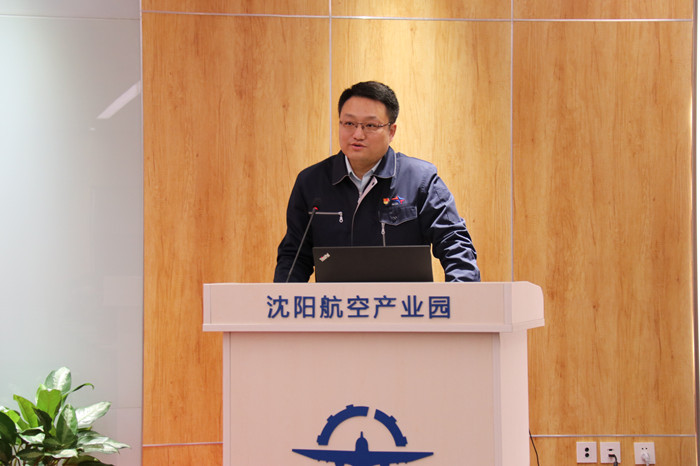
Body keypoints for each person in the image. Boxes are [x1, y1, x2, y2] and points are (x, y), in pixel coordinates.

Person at [274, 81, 480, 282]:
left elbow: (454, 243)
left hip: (405, 302)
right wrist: (284, 301)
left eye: (370, 125)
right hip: (338, 303)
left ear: (391, 131)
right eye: (349, 123)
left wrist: (461, 296)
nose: (357, 134)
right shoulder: (311, 182)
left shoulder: (420, 180)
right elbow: (294, 257)